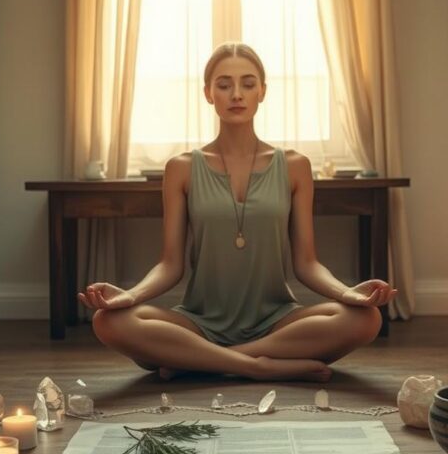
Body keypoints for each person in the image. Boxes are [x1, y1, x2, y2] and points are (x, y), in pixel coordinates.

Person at [78, 42, 394, 382]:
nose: (236, 94)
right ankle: (258, 366)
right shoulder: (181, 169)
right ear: (208, 93)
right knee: (108, 322)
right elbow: (170, 265)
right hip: (199, 322)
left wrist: (347, 293)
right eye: (224, 84)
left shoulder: (294, 166)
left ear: (262, 91)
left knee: (366, 318)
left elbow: (307, 263)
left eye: (247, 83)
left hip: (277, 321)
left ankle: (201, 362)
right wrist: (130, 296)